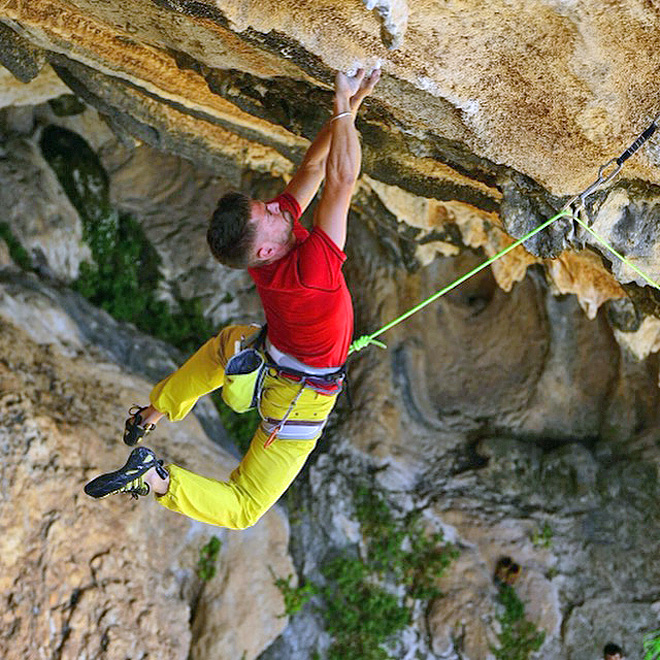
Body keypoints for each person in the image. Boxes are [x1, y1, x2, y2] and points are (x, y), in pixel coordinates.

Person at [84, 67, 380, 529]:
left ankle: (153, 413)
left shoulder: (267, 250)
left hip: (267, 356)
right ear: (265, 249)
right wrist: (343, 108)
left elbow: (315, 169)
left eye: (266, 206)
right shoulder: (310, 271)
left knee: (230, 343)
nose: (279, 207)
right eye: (268, 214)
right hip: (297, 397)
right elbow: (341, 182)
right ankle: (157, 477)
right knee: (244, 508)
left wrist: (351, 109)